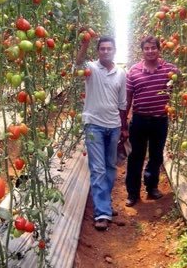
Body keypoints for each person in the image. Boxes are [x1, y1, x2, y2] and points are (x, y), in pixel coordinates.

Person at [76, 35, 127, 230]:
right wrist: (84, 44)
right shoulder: (91, 68)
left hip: (113, 126)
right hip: (93, 125)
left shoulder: (121, 73)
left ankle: (104, 203)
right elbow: (78, 65)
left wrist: (124, 128)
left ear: (114, 50)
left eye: (109, 48)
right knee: (98, 169)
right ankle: (102, 213)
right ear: (98, 51)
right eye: (102, 48)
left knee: (110, 167)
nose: (105, 51)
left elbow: (122, 103)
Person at [125, 35, 180, 207]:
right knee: (135, 157)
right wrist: (123, 122)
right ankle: (133, 193)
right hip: (139, 120)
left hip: (160, 120)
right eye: (146, 48)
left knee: (156, 156)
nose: (150, 51)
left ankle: (151, 187)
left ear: (159, 49)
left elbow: (179, 87)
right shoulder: (134, 71)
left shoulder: (170, 69)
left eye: (153, 48)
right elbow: (128, 98)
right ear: (142, 51)